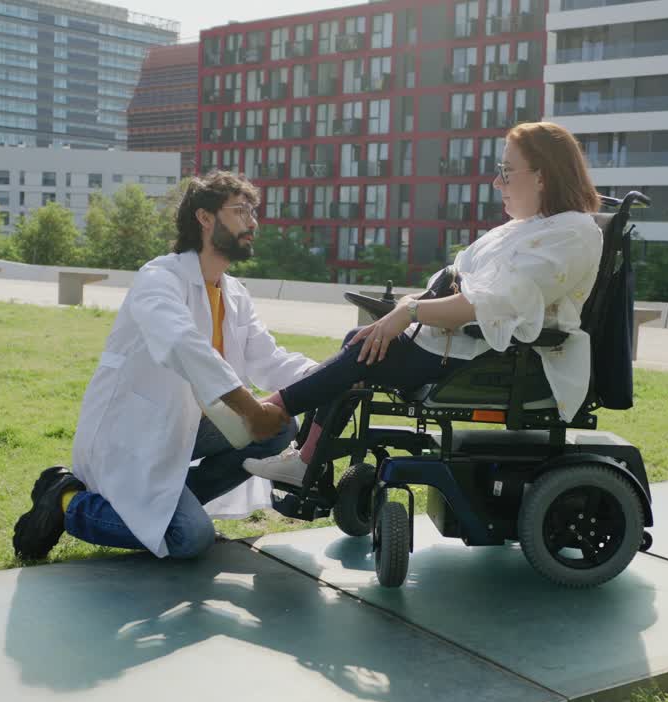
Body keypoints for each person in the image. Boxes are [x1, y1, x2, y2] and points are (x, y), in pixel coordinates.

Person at [245, 121, 604, 485]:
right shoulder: (526, 228)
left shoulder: (571, 232)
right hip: (461, 342)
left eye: (506, 172)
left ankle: (269, 415)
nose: (497, 183)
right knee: (361, 341)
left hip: (497, 356)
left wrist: (409, 312)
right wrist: (409, 305)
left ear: (543, 177)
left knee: (361, 349)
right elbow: (457, 280)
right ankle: (304, 457)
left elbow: (489, 305)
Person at [12, 171, 318, 562]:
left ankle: (170, 504)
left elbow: (270, 359)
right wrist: (250, 408)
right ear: (205, 218)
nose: (253, 222)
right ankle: (67, 499)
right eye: (241, 210)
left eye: (254, 211)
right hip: (134, 434)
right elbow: (181, 343)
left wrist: (332, 373)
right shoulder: (158, 278)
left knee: (279, 428)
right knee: (189, 539)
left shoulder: (235, 292)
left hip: (191, 427)